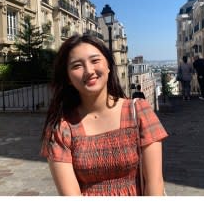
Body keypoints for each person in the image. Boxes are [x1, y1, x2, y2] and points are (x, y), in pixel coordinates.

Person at [40, 34, 167, 196]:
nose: (89, 71)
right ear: (68, 78)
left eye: (95, 61)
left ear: (108, 66)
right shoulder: (61, 129)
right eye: (77, 66)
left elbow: (154, 181)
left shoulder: (139, 112)